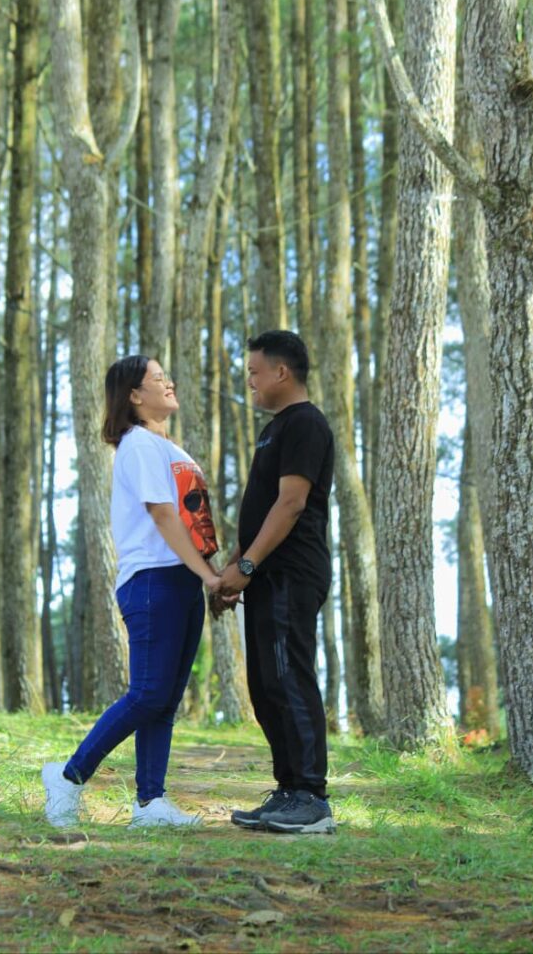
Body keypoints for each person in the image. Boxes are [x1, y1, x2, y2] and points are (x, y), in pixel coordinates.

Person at [42, 355, 221, 829]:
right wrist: (207, 575)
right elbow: (162, 514)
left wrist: (207, 573)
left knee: (165, 699)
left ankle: (150, 802)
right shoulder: (138, 444)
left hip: (181, 578)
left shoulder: (168, 447)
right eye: (158, 378)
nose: (169, 382)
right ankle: (67, 777)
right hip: (152, 580)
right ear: (135, 396)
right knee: (147, 694)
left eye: (167, 375)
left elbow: (192, 520)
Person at [216, 330, 336, 835]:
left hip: (291, 572)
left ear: (281, 372)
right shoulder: (275, 428)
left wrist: (246, 567)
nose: (249, 381)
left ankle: (312, 797)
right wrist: (234, 567)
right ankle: (288, 790)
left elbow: (290, 504)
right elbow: (262, 511)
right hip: (265, 573)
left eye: (254, 371)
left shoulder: (306, 423)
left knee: (289, 676)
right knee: (266, 685)